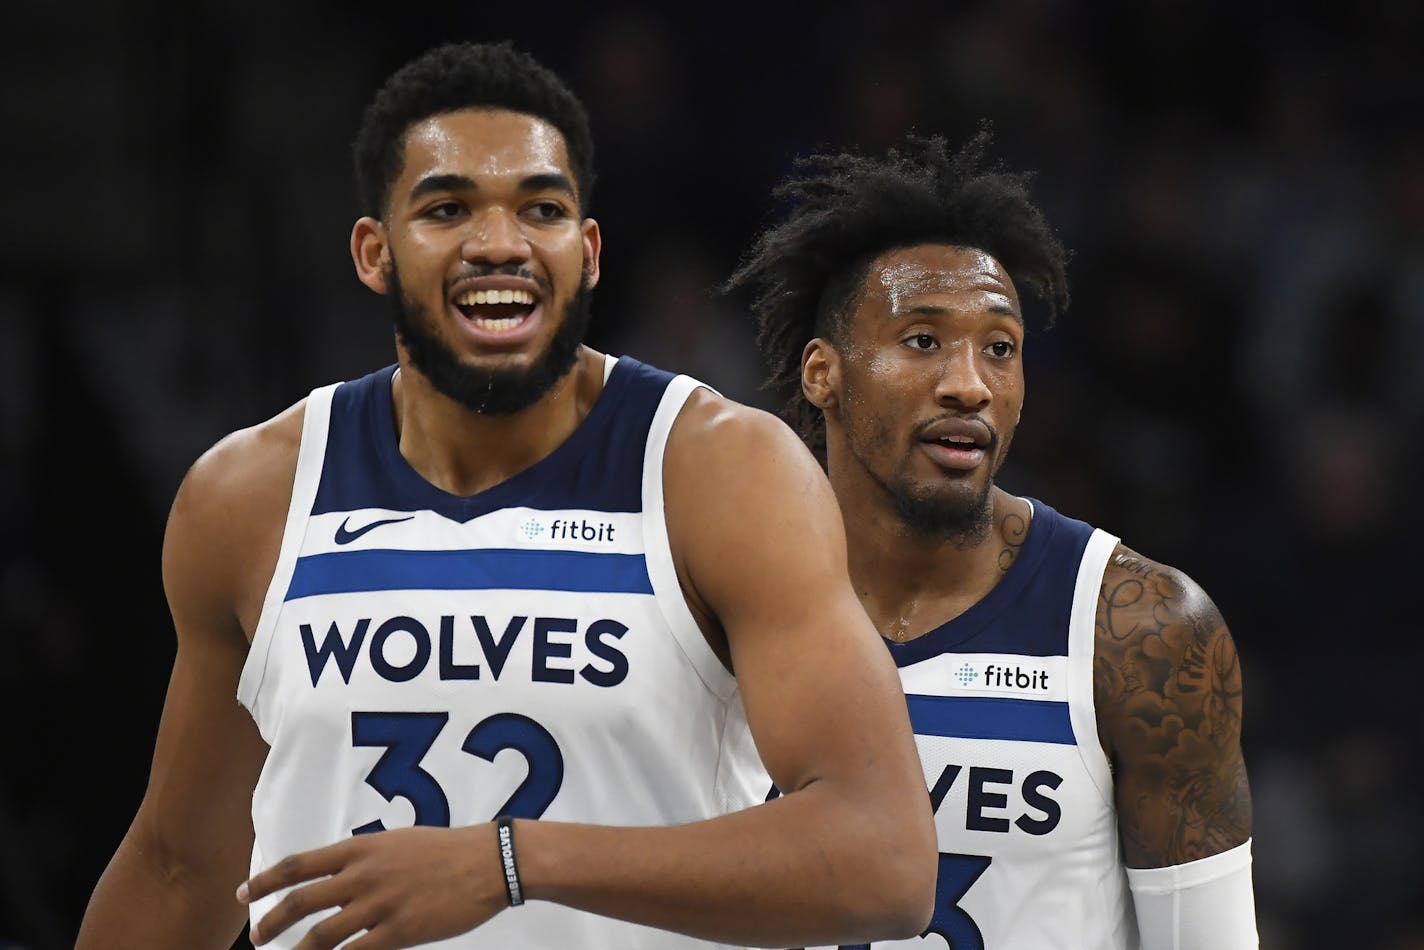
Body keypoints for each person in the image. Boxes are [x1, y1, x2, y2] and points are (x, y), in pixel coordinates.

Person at [76, 41, 937, 950]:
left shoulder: (716, 470)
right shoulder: (250, 495)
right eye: (448, 209)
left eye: (543, 209)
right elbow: (182, 869)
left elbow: (882, 858)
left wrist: (509, 862)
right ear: (375, 251)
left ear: (588, 251)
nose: (499, 244)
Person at [726, 132, 1257, 949]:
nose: (969, 383)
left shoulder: (1141, 630)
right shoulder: (705, 607)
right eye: (924, 341)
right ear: (822, 372)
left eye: (1000, 349)